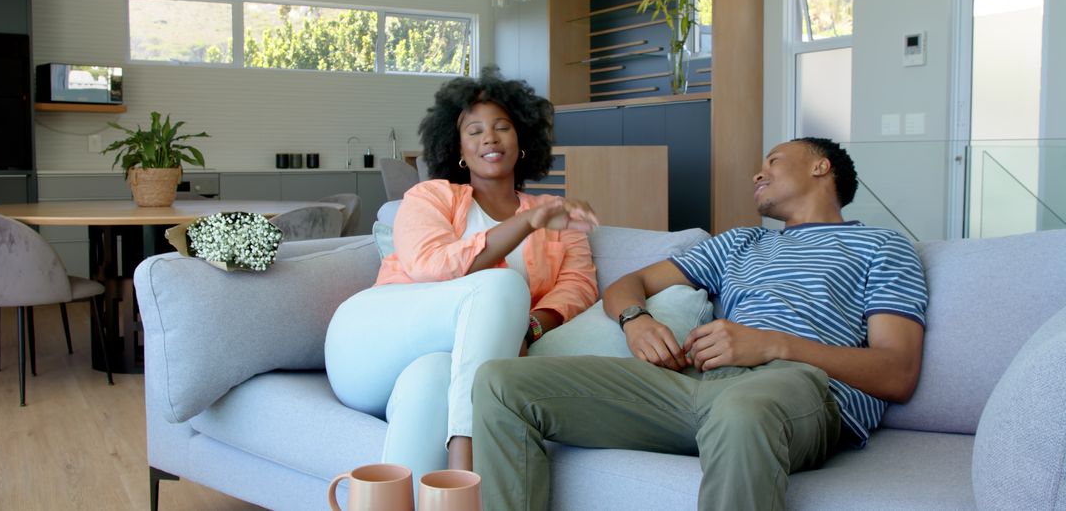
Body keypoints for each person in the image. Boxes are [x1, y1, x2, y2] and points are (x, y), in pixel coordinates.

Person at [472, 137, 929, 510]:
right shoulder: (741, 242)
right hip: (697, 387)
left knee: (743, 409)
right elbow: (631, 284)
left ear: (820, 167)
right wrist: (636, 321)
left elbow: (898, 372)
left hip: (797, 388)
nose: (757, 174)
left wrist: (773, 345)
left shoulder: (882, 246)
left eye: (773, 161)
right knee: (500, 382)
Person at [323, 66, 599, 484]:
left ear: (522, 140)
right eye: (475, 131)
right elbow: (430, 266)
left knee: (433, 378)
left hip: (437, 363)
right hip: (369, 341)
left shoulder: (552, 213)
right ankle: (466, 464)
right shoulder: (429, 196)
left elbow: (577, 286)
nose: (490, 138)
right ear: (458, 149)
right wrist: (526, 223)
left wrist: (526, 329)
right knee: (502, 283)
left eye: (502, 127)